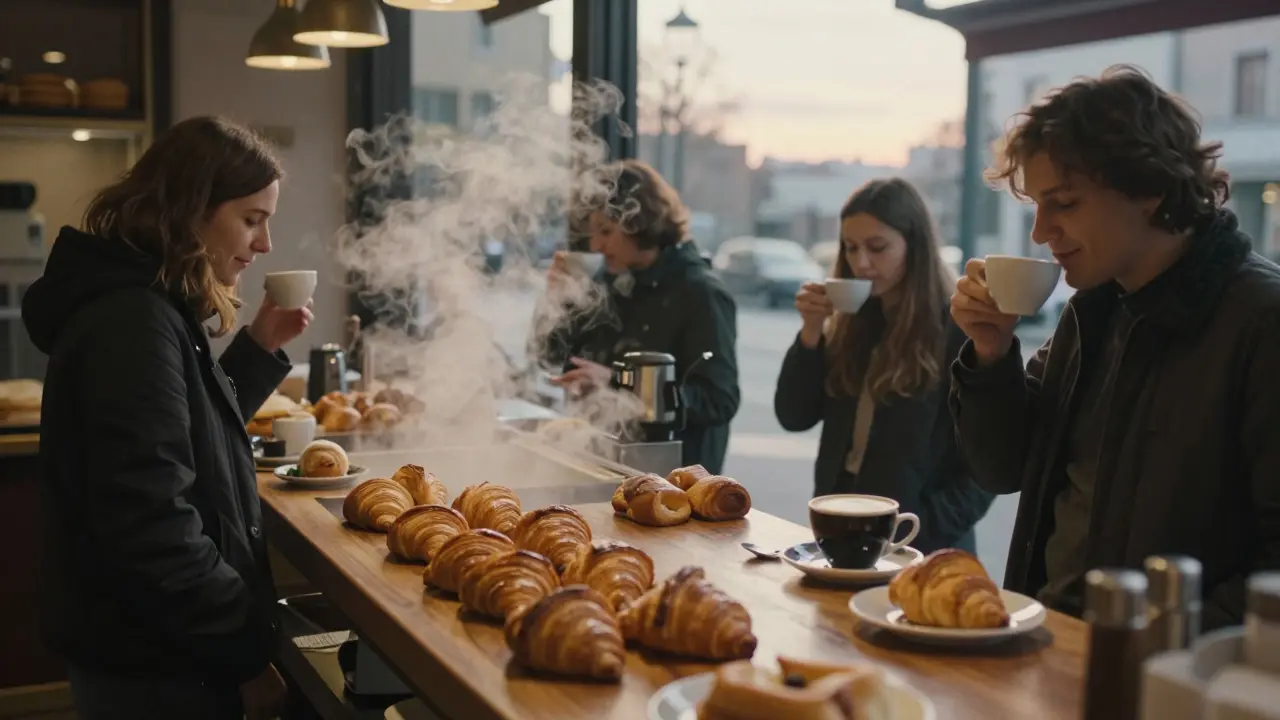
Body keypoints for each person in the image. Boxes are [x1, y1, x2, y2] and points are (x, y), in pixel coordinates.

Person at [949, 65, 1280, 628]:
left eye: (1065, 203)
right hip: (1053, 645)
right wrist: (990, 353)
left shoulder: (1260, 322)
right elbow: (1003, 468)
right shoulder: (1095, 309)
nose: (1040, 231)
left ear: (1148, 189)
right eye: (1036, 205)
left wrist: (1156, 650)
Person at [22, 116, 312, 719]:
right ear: (190, 209)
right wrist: (247, 657)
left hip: (157, 641)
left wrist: (258, 346)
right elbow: (155, 526)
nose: (264, 245)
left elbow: (184, 428)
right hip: (157, 657)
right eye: (252, 219)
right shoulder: (132, 321)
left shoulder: (145, 305)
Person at [774, 178, 993, 555]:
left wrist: (919, 531)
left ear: (915, 246)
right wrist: (812, 333)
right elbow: (794, 415)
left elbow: (983, 472)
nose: (861, 263)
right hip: (842, 532)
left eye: (877, 248)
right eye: (851, 247)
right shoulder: (853, 322)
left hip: (922, 550)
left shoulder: (956, 330)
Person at [538, 159, 739, 474]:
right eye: (593, 233)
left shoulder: (700, 293)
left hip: (675, 479)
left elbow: (719, 399)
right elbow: (550, 357)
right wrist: (556, 300)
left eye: (606, 231)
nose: (596, 245)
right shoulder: (611, 280)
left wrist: (620, 384)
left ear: (639, 221)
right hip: (607, 463)